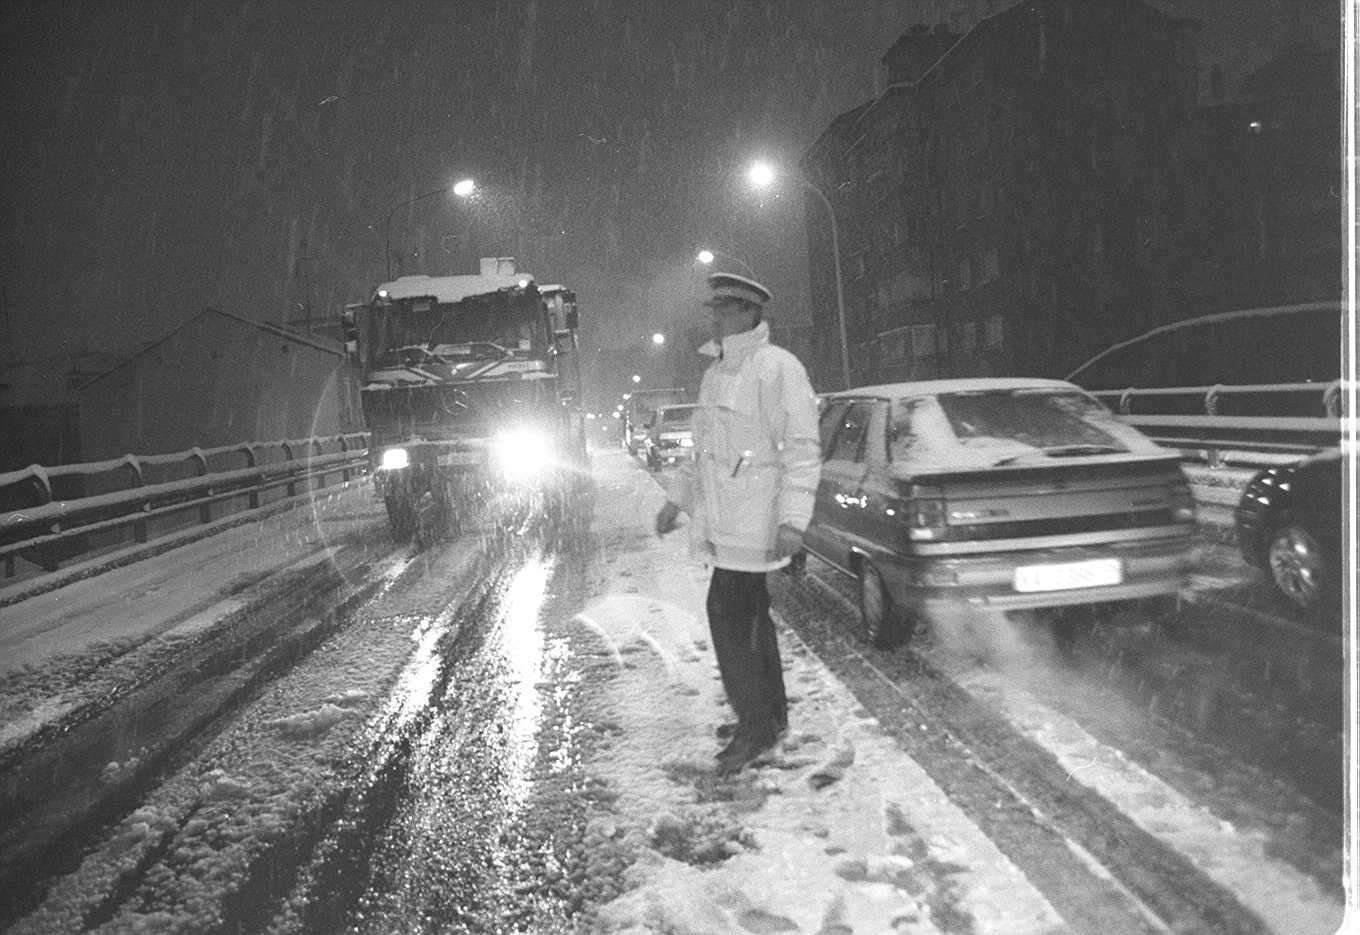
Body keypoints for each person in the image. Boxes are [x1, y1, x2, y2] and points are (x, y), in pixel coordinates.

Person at [654, 272, 822, 775]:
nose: (713, 317)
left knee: (730, 618)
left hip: (757, 522)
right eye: (713, 310)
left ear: (748, 313)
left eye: (722, 310)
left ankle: (755, 728)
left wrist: (793, 521)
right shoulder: (717, 372)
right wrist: (676, 502)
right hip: (726, 526)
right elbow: (702, 452)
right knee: (749, 620)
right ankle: (768, 717)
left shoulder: (778, 369)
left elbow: (802, 451)